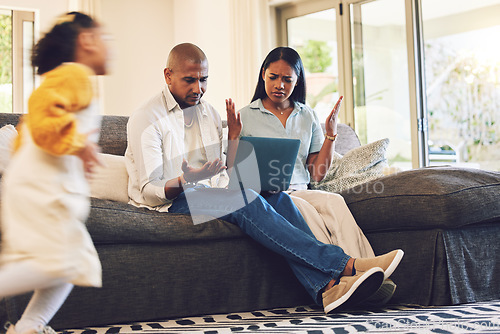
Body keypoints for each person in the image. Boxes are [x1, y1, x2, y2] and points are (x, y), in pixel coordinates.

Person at [125, 42, 403, 314]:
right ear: (168, 75)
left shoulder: (208, 112)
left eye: (204, 80)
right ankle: (347, 265)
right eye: (189, 80)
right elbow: (150, 190)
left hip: (209, 193)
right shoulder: (147, 119)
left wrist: (232, 142)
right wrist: (185, 180)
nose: (198, 89)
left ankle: (328, 288)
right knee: (242, 198)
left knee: (278, 198)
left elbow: (224, 172)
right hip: (170, 203)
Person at [237, 46, 399, 303]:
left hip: (304, 187)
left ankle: (372, 274)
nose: (279, 84)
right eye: (273, 77)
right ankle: (341, 280)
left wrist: (331, 134)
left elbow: (318, 174)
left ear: (297, 81)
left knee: (335, 201)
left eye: (287, 79)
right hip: (271, 193)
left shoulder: (306, 115)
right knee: (305, 210)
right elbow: (238, 170)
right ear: (263, 76)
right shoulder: (245, 116)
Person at [0, 12, 109, 334]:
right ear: (87, 40)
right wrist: (79, 146)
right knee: (57, 263)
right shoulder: (74, 74)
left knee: (75, 260)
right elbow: (43, 107)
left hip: (38, 188)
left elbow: (30, 134)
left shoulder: (72, 79)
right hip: (40, 192)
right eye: (107, 38)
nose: (110, 47)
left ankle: (29, 327)